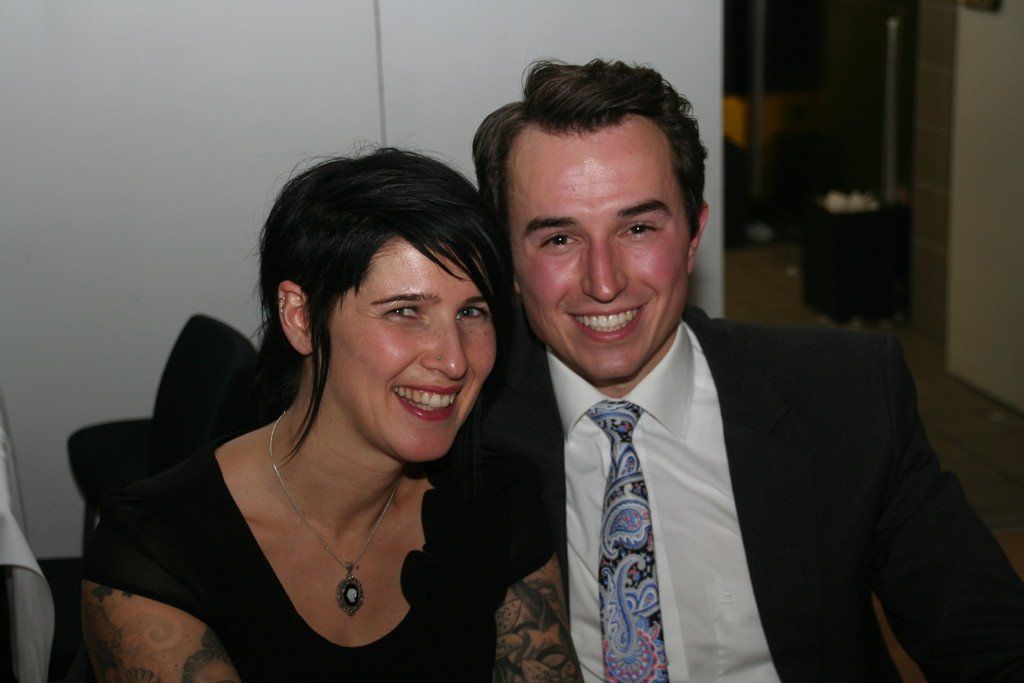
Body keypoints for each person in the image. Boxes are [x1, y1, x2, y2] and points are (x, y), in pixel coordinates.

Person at [473, 59, 1024, 681]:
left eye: (638, 227)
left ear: (693, 236)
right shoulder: (462, 428)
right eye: (559, 239)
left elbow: (988, 640)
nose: (604, 283)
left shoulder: (845, 395)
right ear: (507, 262)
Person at [81, 149, 581, 681]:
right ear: (301, 318)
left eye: (472, 312)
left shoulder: (496, 498)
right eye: (405, 311)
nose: (455, 360)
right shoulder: (156, 552)